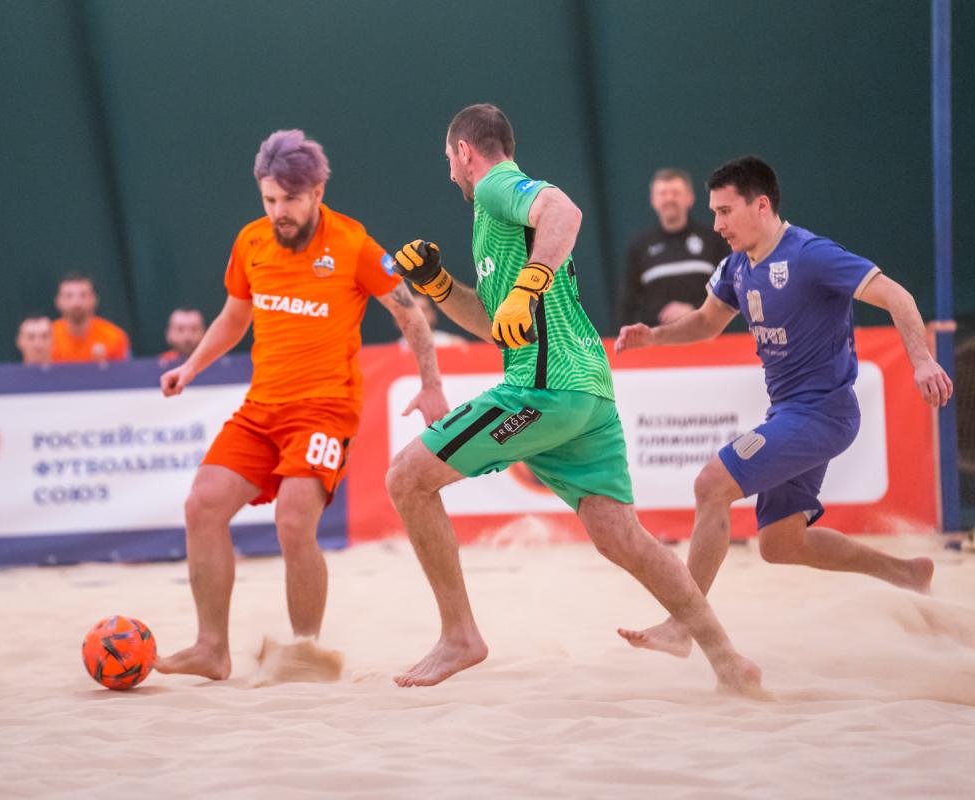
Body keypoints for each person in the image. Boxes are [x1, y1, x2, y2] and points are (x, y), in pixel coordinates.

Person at [385, 103, 762, 695]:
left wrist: (531, 282)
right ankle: (728, 660)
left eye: (448, 160)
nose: (450, 173)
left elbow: (565, 209)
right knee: (622, 537)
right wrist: (438, 285)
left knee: (406, 478)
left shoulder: (497, 187)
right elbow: (496, 325)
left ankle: (459, 636)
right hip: (589, 390)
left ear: (464, 151)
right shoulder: (494, 221)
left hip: (546, 388)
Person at [615, 155, 952, 659]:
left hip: (824, 413)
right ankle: (905, 572)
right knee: (779, 544)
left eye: (725, 211)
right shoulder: (736, 266)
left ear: (761, 205)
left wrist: (921, 360)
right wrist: (655, 337)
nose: (717, 224)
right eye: (714, 212)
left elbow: (897, 295)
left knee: (711, 484)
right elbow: (706, 323)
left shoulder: (811, 255)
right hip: (790, 413)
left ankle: (683, 624)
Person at [153, 129, 449, 680]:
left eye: (289, 199)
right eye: (269, 199)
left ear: (317, 192)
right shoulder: (251, 241)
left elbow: (410, 314)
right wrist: (190, 367)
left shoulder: (354, 244)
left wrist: (431, 385)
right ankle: (211, 648)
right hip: (261, 409)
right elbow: (234, 318)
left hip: (325, 410)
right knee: (202, 506)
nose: (278, 212)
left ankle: (306, 651)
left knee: (293, 521)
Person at [617, 168, 730, 328]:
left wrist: (695, 309)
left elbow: (729, 290)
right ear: (653, 200)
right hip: (655, 338)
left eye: (676, 193)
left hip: (709, 337)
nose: (669, 199)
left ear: (690, 198)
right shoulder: (639, 246)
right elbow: (628, 302)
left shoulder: (714, 240)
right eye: (663, 193)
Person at [50, 273, 130, 363]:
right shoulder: (46, 338)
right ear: (58, 301)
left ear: (94, 299)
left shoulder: (114, 338)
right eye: (69, 296)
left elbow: (124, 371)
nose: (76, 302)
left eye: (83, 295)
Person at [399, 294, 468, 348]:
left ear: (433, 314)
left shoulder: (454, 344)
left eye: (424, 310)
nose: (419, 316)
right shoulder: (395, 350)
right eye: (413, 312)